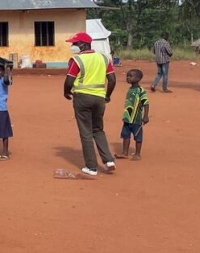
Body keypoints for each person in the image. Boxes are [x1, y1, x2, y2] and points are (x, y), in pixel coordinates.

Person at [63, 32, 117, 177]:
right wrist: (107, 96)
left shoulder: (77, 60)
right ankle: (108, 160)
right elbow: (112, 80)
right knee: (98, 129)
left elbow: (69, 80)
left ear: (83, 44)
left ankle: (91, 167)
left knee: (86, 132)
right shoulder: (104, 58)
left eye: (75, 43)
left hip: (82, 98)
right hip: (99, 98)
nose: (73, 46)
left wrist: (66, 92)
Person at [118, 69, 149, 161]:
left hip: (136, 119)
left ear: (138, 78)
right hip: (127, 118)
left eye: (130, 76)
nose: (128, 78)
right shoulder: (130, 89)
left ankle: (137, 154)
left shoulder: (140, 90)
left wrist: (145, 116)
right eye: (127, 76)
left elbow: (146, 103)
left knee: (138, 136)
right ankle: (125, 153)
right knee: (125, 135)